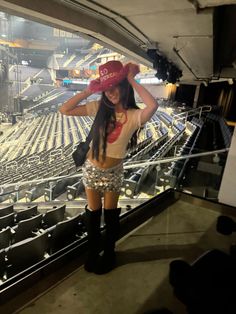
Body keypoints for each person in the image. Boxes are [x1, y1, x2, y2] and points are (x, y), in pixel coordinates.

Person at [59, 60, 158, 274]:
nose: (111, 92)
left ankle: (110, 253)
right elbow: (64, 109)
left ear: (124, 86)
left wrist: (132, 78)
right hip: (91, 169)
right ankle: (93, 252)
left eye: (115, 86)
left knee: (111, 216)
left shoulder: (133, 115)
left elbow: (153, 105)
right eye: (106, 88)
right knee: (93, 215)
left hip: (113, 172)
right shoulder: (98, 108)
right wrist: (90, 89)